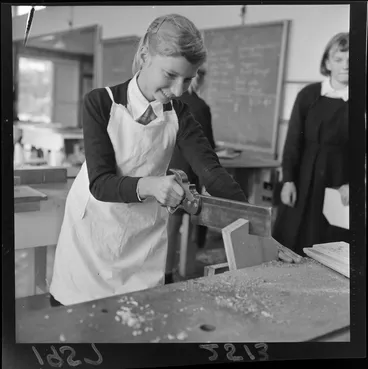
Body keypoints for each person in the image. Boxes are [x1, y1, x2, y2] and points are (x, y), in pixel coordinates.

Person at [49, 14, 301, 307]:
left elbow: (214, 174)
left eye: (189, 79)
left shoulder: (179, 114)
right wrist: (152, 185)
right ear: (145, 56)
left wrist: (262, 234)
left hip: (142, 239)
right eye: (170, 75)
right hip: (93, 234)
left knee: (139, 323)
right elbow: (101, 183)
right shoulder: (100, 103)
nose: (179, 90)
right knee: (80, 324)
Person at [272, 32, 349, 255]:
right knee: (288, 242)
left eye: (352, 59)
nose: (345, 66)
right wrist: (288, 180)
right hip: (302, 178)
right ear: (327, 62)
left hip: (338, 184)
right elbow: (293, 140)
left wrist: (354, 184)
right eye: (339, 59)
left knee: (329, 248)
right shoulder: (309, 94)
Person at [165, 66, 215, 283]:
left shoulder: (164, 100)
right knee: (179, 225)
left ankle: (165, 272)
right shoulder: (199, 106)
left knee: (168, 227)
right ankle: (175, 272)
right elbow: (208, 149)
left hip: (163, 171)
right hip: (185, 175)